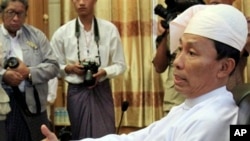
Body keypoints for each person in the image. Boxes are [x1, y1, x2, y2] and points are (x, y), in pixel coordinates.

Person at [41, 4, 248, 141]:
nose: (177, 62)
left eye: (191, 53)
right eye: (178, 50)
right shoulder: (188, 108)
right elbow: (137, 138)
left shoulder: (212, 121)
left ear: (225, 67)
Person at [50, 0, 126, 139]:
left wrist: (104, 72)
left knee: (106, 135)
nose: (81, 3)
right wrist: (69, 68)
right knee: (80, 135)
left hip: (101, 89)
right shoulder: (62, 32)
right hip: (76, 91)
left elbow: (120, 65)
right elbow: (52, 66)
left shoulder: (109, 29)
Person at [0, 0, 59, 140]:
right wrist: (3, 75)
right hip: (4, 107)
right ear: (1, 13)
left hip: (34, 105)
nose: (15, 18)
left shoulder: (36, 36)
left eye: (20, 14)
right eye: (10, 12)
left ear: (26, 14)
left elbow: (54, 66)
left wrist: (29, 72)